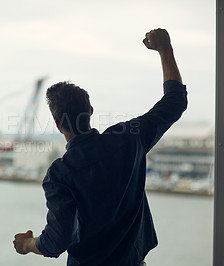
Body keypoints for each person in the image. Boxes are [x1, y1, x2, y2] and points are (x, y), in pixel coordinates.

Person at [13, 28, 187, 266]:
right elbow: (175, 102)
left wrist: (26, 245)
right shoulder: (128, 139)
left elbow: (56, 242)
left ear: (57, 124)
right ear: (90, 111)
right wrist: (165, 48)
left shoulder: (60, 174)